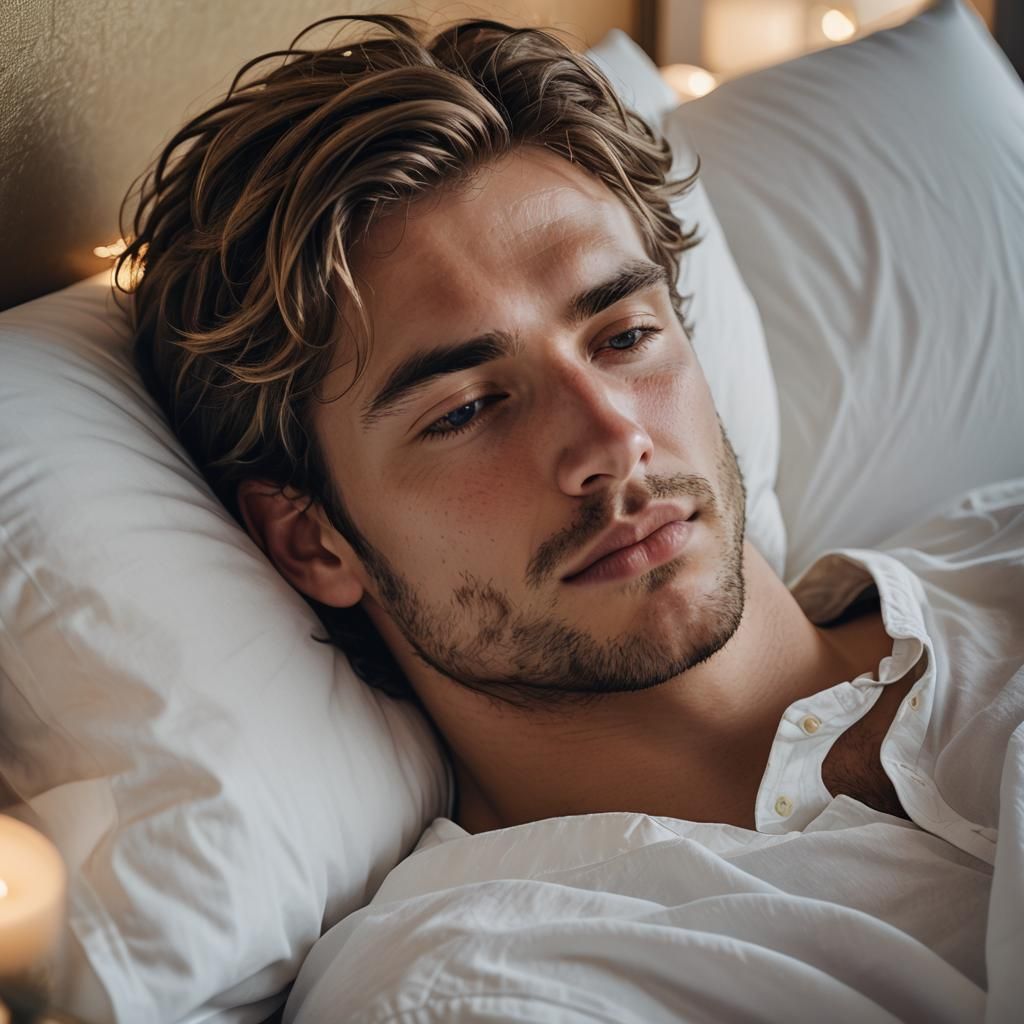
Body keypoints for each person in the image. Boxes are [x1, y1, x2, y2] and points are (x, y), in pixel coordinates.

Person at [118, 12, 1016, 861]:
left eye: (624, 337)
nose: (611, 439)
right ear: (313, 541)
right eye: (465, 409)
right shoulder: (505, 978)